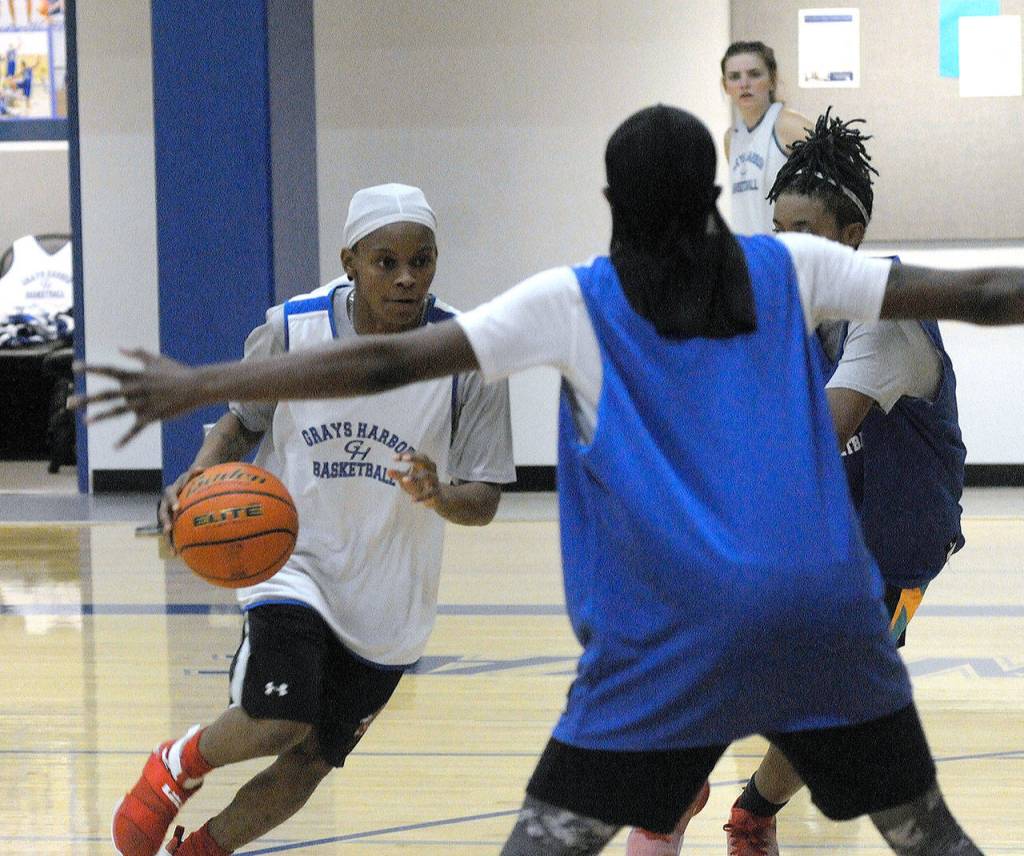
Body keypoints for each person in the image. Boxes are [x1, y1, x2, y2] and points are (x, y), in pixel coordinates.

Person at [73, 106, 1024, 856]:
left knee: (554, 836)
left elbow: (376, 367)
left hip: (670, 635)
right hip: (824, 623)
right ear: (709, 198)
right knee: (927, 833)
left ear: (614, 199)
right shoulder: (793, 267)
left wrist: (202, 383)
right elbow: (983, 294)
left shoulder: (574, 297)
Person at [101, 183, 516, 856]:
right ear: (349, 260)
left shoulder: (467, 354)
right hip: (291, 564)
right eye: (387, 262)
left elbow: (486, 498)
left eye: (423, 260)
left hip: (390, 602)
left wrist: (441, 495)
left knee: (310, 762)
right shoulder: (294, 331)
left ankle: (203, 849)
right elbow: (239, 425)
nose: (407, 277)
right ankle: (177, 764)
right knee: (277, 718)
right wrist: (195, 479)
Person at [624, 111, 970, 856]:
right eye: (775, 227)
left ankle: (750, 810)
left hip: (897, 552)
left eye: (802, 229)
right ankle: (683, 782)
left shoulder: (886, 319)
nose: (783, 247)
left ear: (849, 238)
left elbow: (808, 436)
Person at [722, 41, 811, 235]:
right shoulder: (731, 138)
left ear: (772, 79)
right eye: (735, 77)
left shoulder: (790, 125)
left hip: (787, 255)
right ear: (725, 85)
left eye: (754, 74)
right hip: (749, 255)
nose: (744, 84)